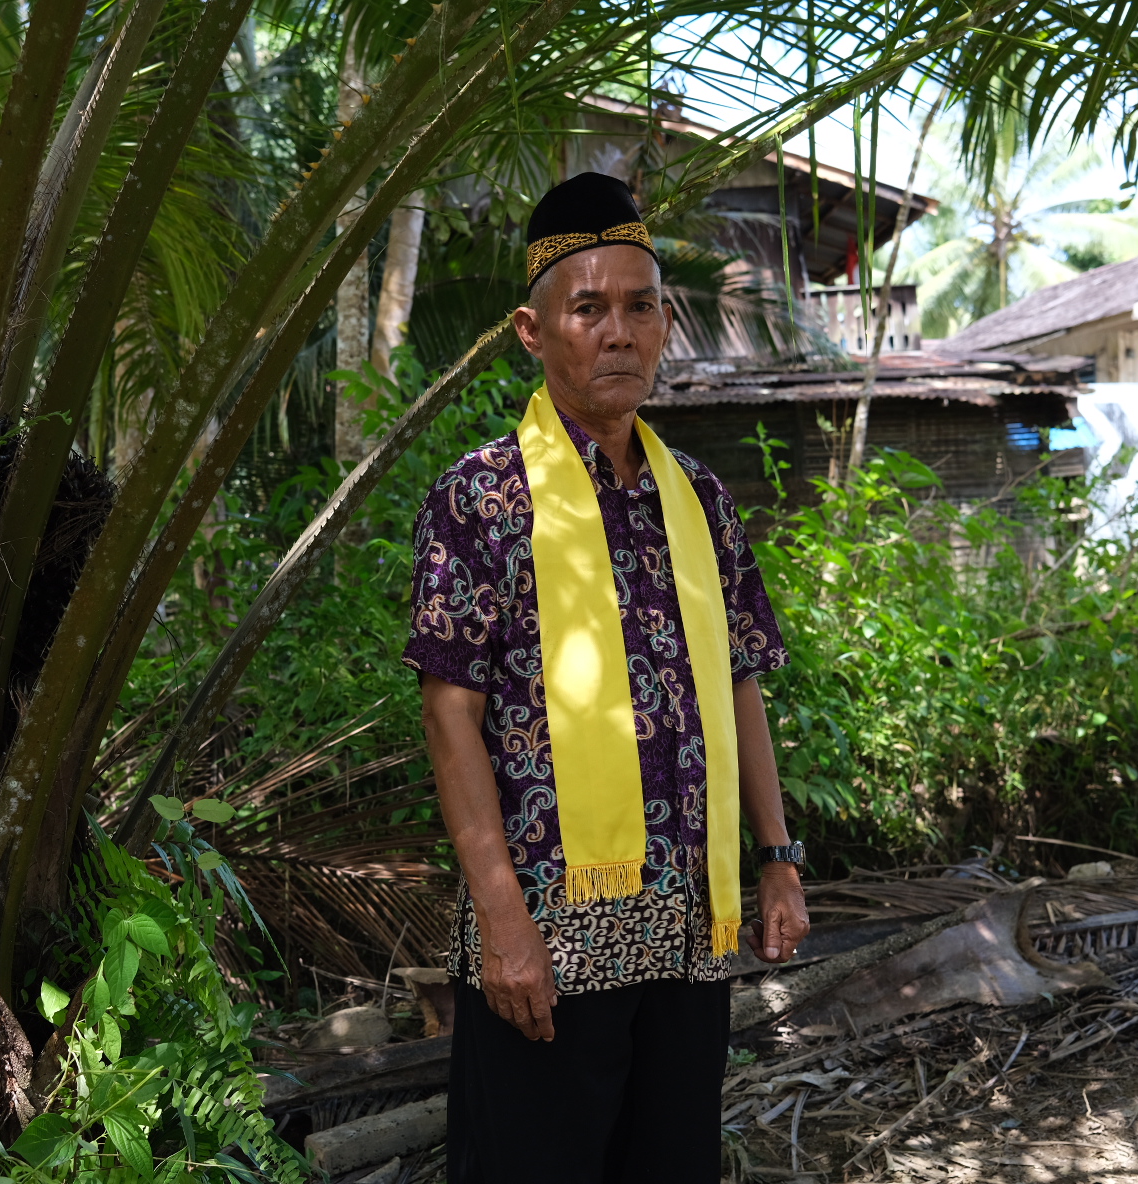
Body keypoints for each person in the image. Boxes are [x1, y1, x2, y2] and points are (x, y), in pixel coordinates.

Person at [400, 172, 810, 1183]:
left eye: (639, 306)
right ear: (533, 332)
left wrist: (777, 856)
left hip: (688, 933)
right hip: (548, 942)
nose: (617, 332)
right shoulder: (484, 498)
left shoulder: (699, 500)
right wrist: (503, 919)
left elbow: (740, 682)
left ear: (666, 323)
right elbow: (451, 717)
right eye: (587, 308)